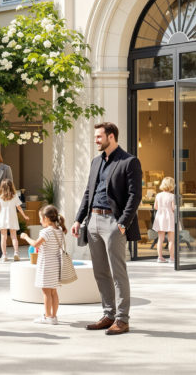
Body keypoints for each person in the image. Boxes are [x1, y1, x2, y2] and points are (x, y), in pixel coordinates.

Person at [71, 122, 142, 335]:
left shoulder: (129, 162)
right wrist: (78, 219)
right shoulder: (95, 162)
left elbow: (134, 195)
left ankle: (122, 319)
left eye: (99, 136)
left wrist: (122, 223)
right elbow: (87, 192)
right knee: (100, 271)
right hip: (92, 220)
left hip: (113, 222)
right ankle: (109, 314)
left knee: (118, 272)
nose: (96, 140)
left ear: (111, 136)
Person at [20, 205, 66, 325]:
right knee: (53, 292)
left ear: (46, 218)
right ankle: (54, 316)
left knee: (46, 292)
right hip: (55, 265)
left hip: (46, 265)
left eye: (40, 218)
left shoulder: (47, 231)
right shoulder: (59, 230)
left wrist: (25, 237)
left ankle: (47, 317)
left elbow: (35, 244)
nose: (40, 221)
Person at [0, 178, 29, 262]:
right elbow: (19, 207)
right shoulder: (15, 196)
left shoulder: (0, 197)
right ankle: (16, 253)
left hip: (2, 218)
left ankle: (4, 255)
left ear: (2, 187)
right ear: (11, 186)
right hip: (12, 218)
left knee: (3, 237)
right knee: (14, 236)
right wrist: (24, 216)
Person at [152, 176, 176, 263]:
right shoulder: (172, 196)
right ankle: (172, 258)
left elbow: (155, 207)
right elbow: (173, 208)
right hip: (169, 218)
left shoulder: (158, 195)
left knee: (160, 239)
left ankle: (160, 257)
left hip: (160, 218)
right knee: (171, 240)